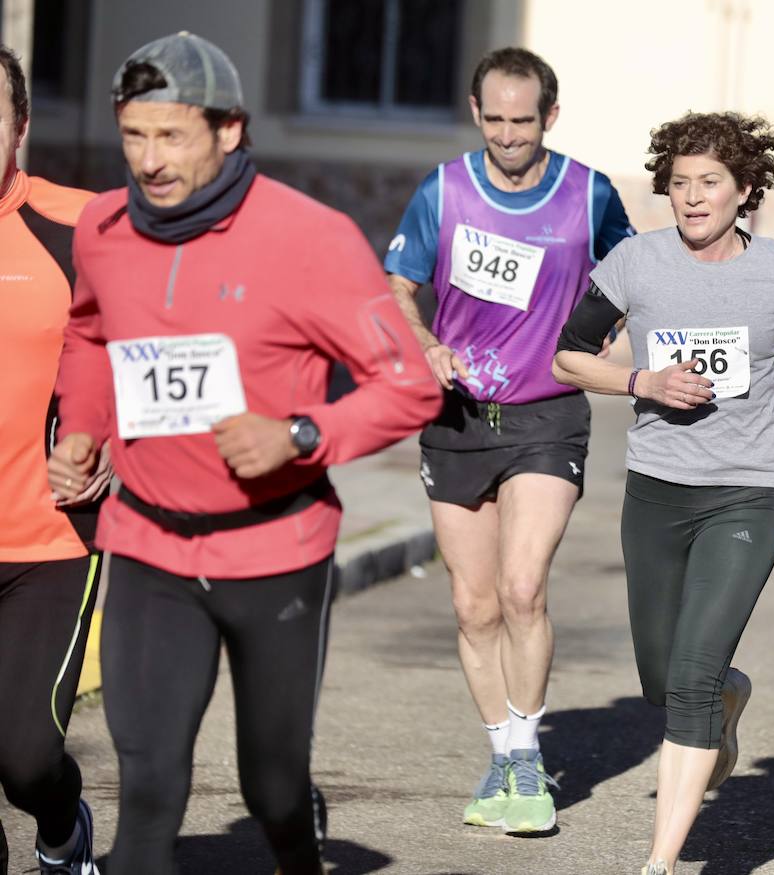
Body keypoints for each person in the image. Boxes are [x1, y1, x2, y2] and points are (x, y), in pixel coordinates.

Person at [46, 33, 441, 875]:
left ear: (229, 130)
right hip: (148, 544)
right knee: (146, 796)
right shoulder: (104, 229)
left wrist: (300, 436)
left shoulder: (311, 238)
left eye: (172, 135)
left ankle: (298, 854)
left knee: (272, 789)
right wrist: (81, 425)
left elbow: (408, 385)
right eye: (133, 136)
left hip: (274, 549)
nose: (149, 161)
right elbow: (88, 333)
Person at [552, 111, 774, 875]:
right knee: (660, 676)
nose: (691, 197)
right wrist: (642, 380)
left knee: (688, 681)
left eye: (709, 183)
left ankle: (660, 862)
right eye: (679, 184)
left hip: (743, 494)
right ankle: (727, 697)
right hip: (656, 493)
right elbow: (569, 357)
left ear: (745, 189)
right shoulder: (635, 264)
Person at [384, 47, 633, 834]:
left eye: (522, 121)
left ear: (549, 117)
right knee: (472, 603)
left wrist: (592, 343)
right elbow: (396, 285)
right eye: (493, 119)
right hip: (457, 418)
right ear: (475, 111)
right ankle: (502, 751)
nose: (507, 135)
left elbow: (630, 276)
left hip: (546, 413)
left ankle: (527, 756)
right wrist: (423, 343)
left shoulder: (589, 193)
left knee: (523, 587)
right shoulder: (446, 189)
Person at [1, 44, 111, 875]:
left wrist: (111, 438)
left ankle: (63, 827)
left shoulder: (82, 225)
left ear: (21, 127)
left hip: (47, 537)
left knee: (25, 754)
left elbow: (151, 347)